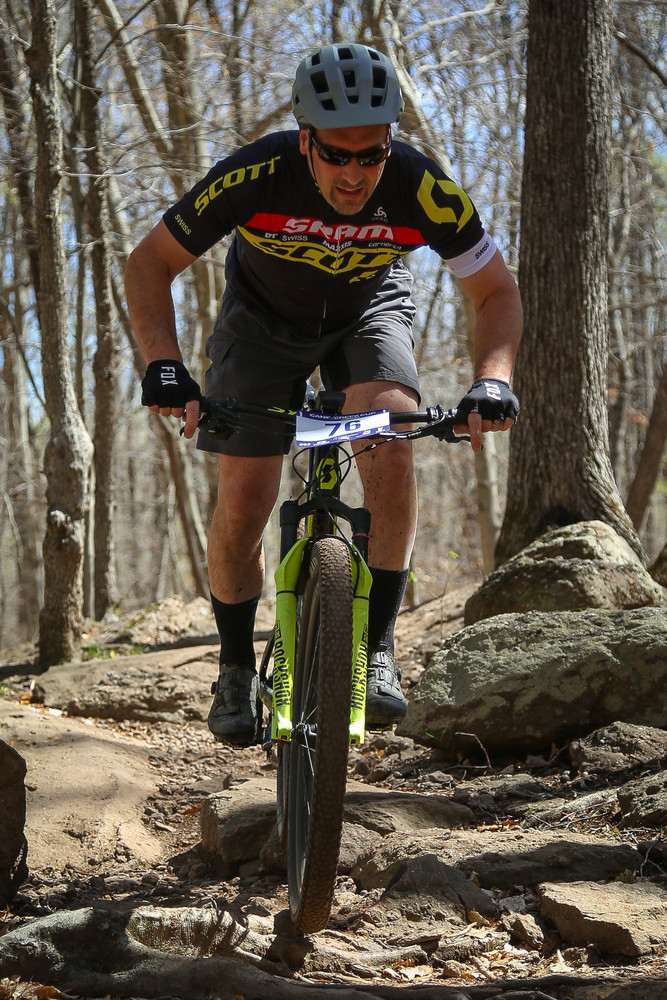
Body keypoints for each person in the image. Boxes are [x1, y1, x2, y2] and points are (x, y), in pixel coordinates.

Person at [125, 42, 522, 748]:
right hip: (261, 323)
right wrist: (164, 366)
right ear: (305, 139)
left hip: (368, 313)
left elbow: (496, 291)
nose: (353, 174)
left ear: (390, 141)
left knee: (392, 446)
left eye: (371, 155)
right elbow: (149, 262)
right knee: (244, 500)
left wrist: (493, 378)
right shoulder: (257, 173)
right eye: (337, 154)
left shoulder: (419, 186)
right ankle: (235, 666)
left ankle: (377, 647)